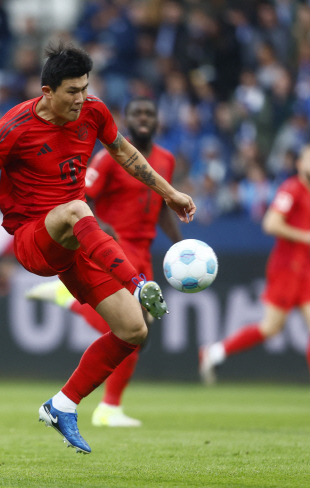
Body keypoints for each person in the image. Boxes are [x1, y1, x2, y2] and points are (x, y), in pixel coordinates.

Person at [0, 43, 196, 454]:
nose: (81, 98)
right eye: (72, 91)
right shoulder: (15, 124)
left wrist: (170, 192)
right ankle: (139, 284)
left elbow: (124, 153)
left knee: (133, 330)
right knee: (75, 208)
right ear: (47, 91)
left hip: (74, 241)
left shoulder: (94, 113)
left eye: (85, 88)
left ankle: (62, 404)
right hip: (35, 239)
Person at [24, 97, 183, 427]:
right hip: (115, 250)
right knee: (133, 325)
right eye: (136, 112)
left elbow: (160, 206)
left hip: (145, 250)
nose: (143, 117)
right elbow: (82, 198)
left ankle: (110, 406)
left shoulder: (165, 160)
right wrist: (102, 231)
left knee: (140, 332)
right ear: (125, 119)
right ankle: (108, 406)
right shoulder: (109, 158)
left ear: (157, 119)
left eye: (149, 112)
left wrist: (181, 245)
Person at [199, 143, 310, 406]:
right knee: (270, 327)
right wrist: (308, 236)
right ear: (300, 164)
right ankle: (214, 352)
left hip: (304, 267)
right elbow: (271, 223)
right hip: (286, 268)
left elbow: (300, 233)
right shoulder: (291, 189)